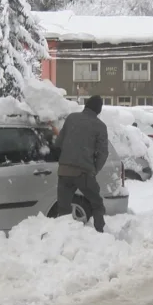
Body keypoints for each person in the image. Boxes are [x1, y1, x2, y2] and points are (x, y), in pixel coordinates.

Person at [51, 95, 109, 232]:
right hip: (84, 173)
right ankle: (100, 233)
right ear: (99, 110)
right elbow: (103, 153)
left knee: (63, 208)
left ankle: (63, 235)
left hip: (64, 171)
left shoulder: (71, 118)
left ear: (86, 105)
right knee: (97, 204)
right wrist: (94, 169)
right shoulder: (100, 126)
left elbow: (58, 143)